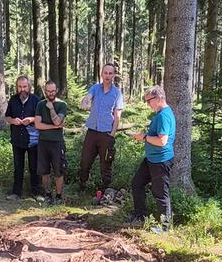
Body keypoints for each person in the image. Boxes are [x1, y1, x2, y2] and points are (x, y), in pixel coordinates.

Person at [129, 85, 175, 230]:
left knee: (161, 193)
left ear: (158, 98)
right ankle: (140, 216)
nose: (148, 105)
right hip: (151, 159)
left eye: (149, 101)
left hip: (161, 161)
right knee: (137, 183)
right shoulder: (161, 113)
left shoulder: (164, 116)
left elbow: (162, 141)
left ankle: (165, 227)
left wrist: (143, 137)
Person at [78, 64, 124, 194]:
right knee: (85, 161)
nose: (108, 76)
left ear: (114, 75)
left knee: (106, 165)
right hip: (92, 131)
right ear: (101, 74)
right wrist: (85, 101)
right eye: (105, 73)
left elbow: (117, 116)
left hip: (106, 134)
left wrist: (112, 135)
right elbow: (88, 97)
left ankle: (105, 192)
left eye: (110, 73)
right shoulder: (95, 88)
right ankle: (82, 187)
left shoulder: (117, 94)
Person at [4, 76, 41, 200]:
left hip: (33, 140)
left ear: (29, 87)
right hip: (17, 139)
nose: (22, 89)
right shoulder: (13, 100)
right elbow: (7, 117)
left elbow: (42, 118)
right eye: (19, 87)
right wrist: (13, 121)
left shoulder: (36, 100)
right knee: (18, 167)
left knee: (34, 167)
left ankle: (36, 193)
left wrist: (31, 119)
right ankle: (16, 193)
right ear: (17, 87)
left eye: (24, 87)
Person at [34, 80, 68, 205]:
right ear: (45, 90)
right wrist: (53, 127)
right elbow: (38, 125)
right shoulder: (40, 104)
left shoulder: (62, 105)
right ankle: (48, 195)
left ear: (56, 90)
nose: (50, 93)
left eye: (53, 91)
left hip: (57, 142)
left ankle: (58, 196)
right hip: (43, 142)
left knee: (59, 171)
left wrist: (51, 108)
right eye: (48, 91)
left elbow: (58, 122)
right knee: (44, 171)